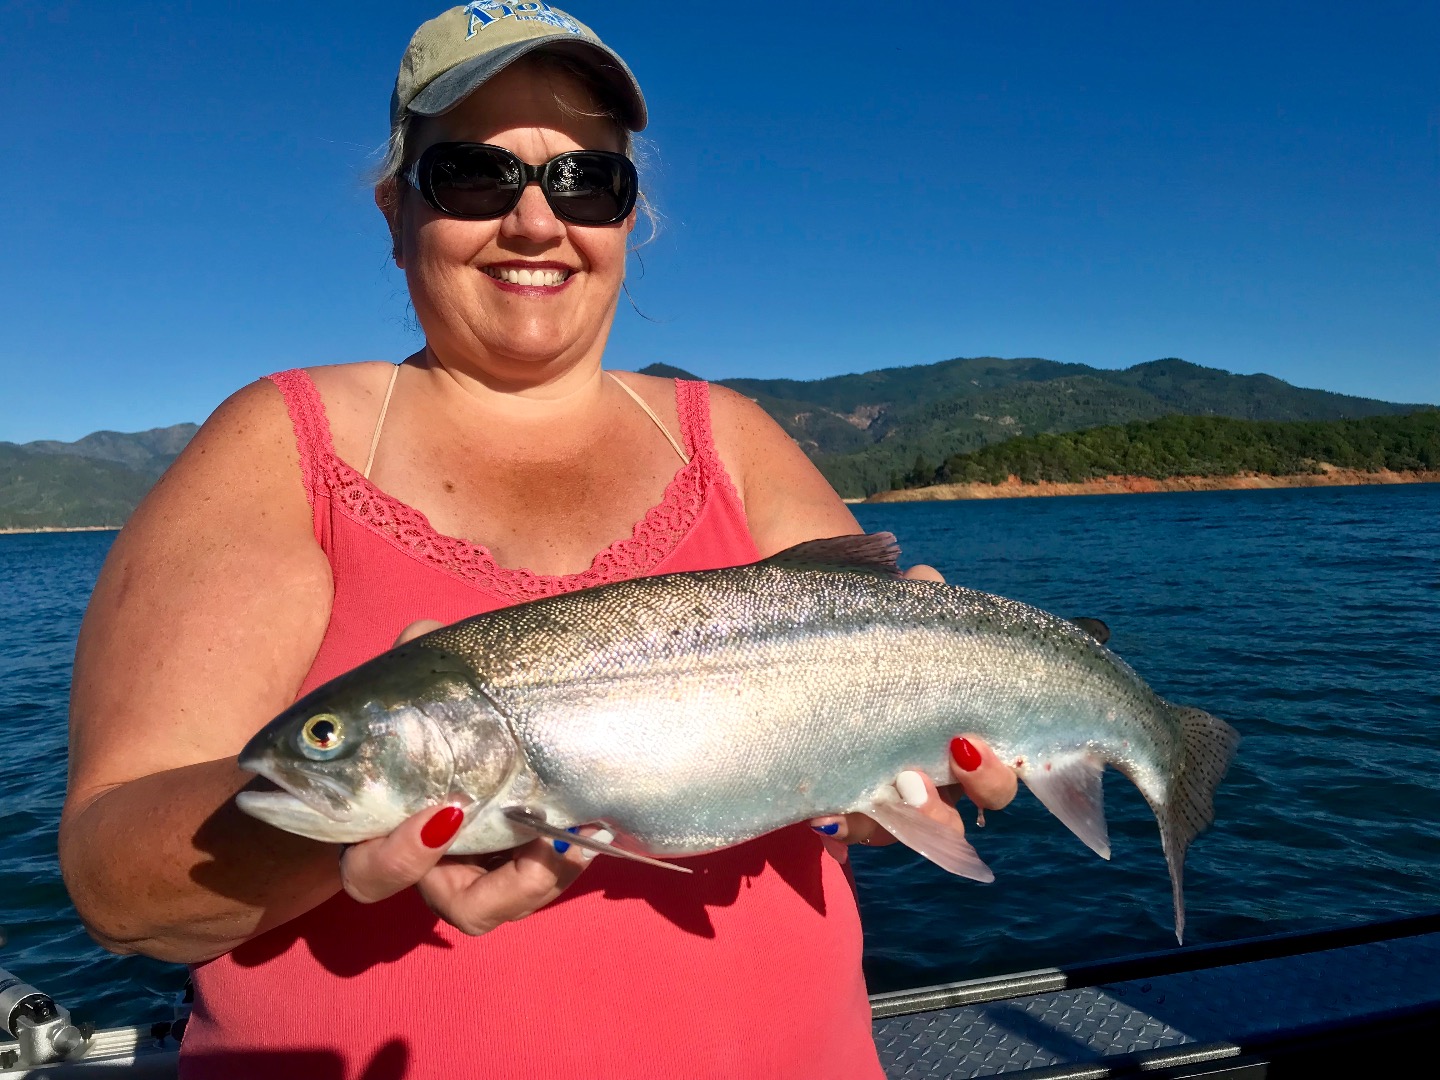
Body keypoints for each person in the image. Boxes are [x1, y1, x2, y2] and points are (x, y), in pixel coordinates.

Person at [59, 6, 1017, 1078]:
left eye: (584, 181)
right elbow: (117, 886)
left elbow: (852, 809)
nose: (533, 222)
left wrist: (897, 782)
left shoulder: (734, 437)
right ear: (394, 209)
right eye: (473, 175)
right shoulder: (283, 444)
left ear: (626, 215)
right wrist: (387, 798)